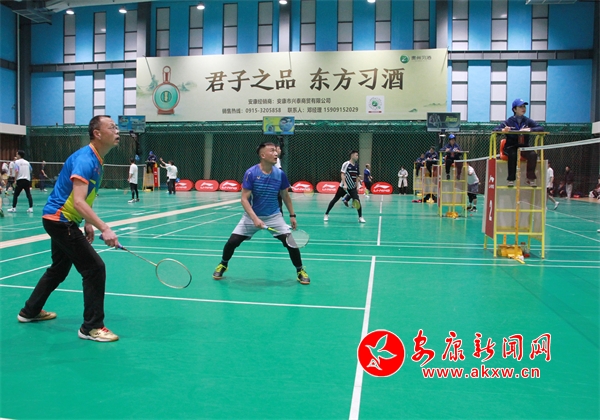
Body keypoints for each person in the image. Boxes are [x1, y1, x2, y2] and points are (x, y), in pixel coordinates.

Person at [17, 115, 121, 342]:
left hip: (61, 219)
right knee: (94, 269)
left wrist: (88, 222)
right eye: (112, 127)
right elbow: (80, 201)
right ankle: (91, 327)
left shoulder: (96, 159)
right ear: (97, 133)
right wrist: (105, 228)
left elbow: (85, 197)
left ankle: (29, 311)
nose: (117, 131)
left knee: (58, 269)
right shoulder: (85, 159)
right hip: (60, 220)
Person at [212, 142, 310, 285]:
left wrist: (292, 215)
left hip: (274, 216)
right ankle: (223, 264)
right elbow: (244, 199)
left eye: (276, 151)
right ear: (263, 155)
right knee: (232, 242)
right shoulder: (251, 173)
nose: (276, 153)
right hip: (252, 216)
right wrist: (255, 219)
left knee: (291, 243)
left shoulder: (280, 174)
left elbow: (285, 196)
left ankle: (300, 270)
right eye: (272, 151)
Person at [494, 99, 544, 187]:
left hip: (524, 146)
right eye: (520, 107)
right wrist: (503, 130)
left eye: (524, 106)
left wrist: (530, 129)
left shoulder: (528, 121)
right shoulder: (508, 121)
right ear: (514, 109)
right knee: (513, 154)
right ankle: (511, 179)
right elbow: (495, 130)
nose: (523, 108)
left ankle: (530, 179)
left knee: (533, 155)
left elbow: (541, 128)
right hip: (511, 146)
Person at [324, 150, 365, 223]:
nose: (357, 157)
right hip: (343, 187)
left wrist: (357, 186)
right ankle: (326, 214)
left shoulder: (356, 165)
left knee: (357, 201)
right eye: (356, 155)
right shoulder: (346, 164)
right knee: (335, 199)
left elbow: (357, 176)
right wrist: (345, 184)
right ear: (352, 155)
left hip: (352, 188)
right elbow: (342, 174)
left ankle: (360, 217)